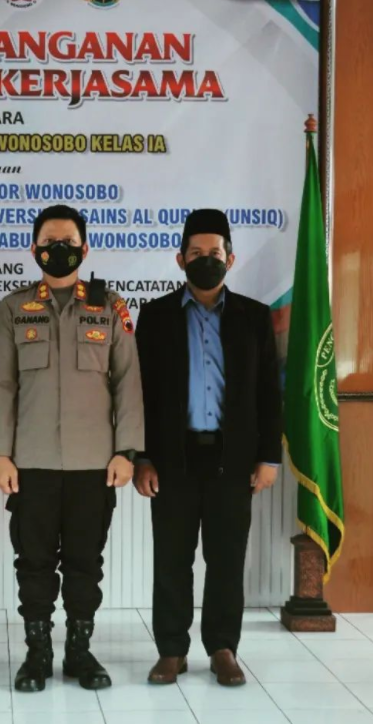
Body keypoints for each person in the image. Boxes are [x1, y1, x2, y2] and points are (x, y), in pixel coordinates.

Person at [0, 204, 144, 692]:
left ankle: (80, 652)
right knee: (33, 563)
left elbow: (128, 383)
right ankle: (37, 655)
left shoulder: (110, 307)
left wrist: (126, 451)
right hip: (30, 463)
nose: (59, 249)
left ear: (85, 248)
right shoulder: (14, 308)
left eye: (69, 242)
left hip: (93, 464)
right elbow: (2, 385)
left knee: (84, 563)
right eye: (50, 242)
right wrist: (1, 455)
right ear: (34, 249)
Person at [134, 208, 282, 687]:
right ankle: (171, 650)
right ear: (180, 259)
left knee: (226, 560)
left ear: (230, 259)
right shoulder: (155, 316)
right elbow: (140, 394)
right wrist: (142, 458)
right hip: (172, 461)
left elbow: (269, 393)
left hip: (232, 462)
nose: (205, 260)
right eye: (195, 253)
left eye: (214, 253)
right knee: (171, 560)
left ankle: (222, 648)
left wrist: (269, 457)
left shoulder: (253, 317)